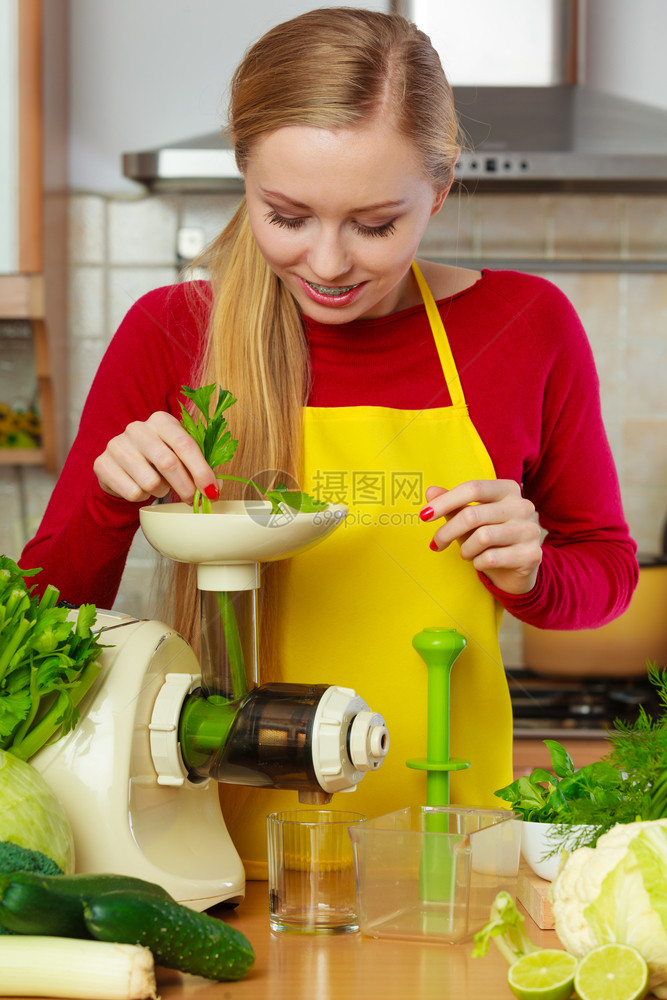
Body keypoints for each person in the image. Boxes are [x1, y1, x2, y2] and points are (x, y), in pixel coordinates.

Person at [20, 7, 637, 877]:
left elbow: (603, 574)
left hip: (447, 852)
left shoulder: (526, 326)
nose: (328, 261)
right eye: (287, 216)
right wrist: (107, 497)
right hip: (209, 855)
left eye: (375, 224)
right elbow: (41, 617)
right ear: (244, 178)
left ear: (441, 189)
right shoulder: (171, 331)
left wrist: (533, 572)